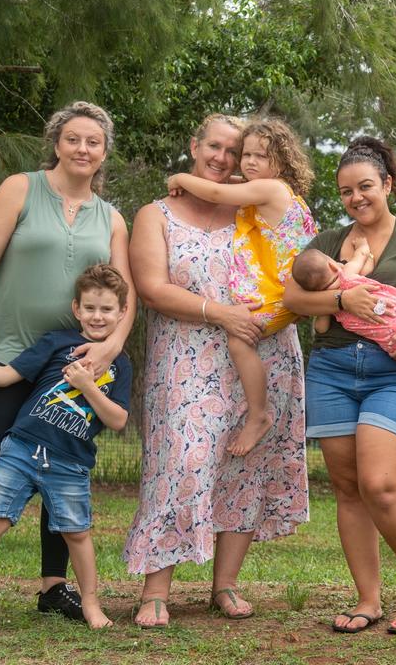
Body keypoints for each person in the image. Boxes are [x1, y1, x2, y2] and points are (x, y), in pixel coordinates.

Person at [0, 101, 133, 627]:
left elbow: (125, 295)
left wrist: (109, 349)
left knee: (61, 463)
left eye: (93, 141)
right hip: (9, 349)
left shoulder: (112, 218)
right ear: (57, 143)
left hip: (75, 363)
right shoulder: (20, 188)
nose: (82, 149)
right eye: (73, 139)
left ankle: (53, 586)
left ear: (104, 150)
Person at [123, 114, 308, 627]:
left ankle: (224, 586)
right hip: (185, 358)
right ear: (194, 145)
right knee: (182, 460)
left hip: (263, 352)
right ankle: (155, 588)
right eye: (216, 148)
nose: (225, 159)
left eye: (236, 150)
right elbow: (153, 288)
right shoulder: (156, 215)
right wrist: (219, 312)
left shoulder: (254, 209)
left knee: (244, 470)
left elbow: (295, 267)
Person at [283, 136, 396, 635]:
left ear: (388, 184)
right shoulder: (326, 245)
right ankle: (367, 599)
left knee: (381, 484)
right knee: (347, 488)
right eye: (345, 191)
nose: (355, 198)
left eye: (365, 186)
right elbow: (293, 297)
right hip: (333, 370)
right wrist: (343, 304)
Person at [0, 265, 134, 640]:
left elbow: (118, 420)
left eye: (106, 310)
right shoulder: (56, 343)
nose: (97, 316)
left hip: (70, 463)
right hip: (21, 449)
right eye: (89, 308)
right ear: (76, 308)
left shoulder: (120, 364)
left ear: (122, 313)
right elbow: (8, 376)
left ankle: (90, 602)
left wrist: (88, 386)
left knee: (77, 533)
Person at [166, 118, 318, 456]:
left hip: (283, 292)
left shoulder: (269, 189)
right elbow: (231, 182)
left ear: (280, 161)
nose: (249, 162)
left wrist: (179, 178)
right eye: (245, 154)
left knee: (239, 339)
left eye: (260, 157)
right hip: (284, 286)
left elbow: (220, 191)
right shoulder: (270, 187)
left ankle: (258, 414)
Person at [290, 244, 396, 396]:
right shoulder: (347, 273)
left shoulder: (329, 305)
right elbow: (364, 259)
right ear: (332, 265)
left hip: (391, 334)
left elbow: (321, 329)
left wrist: (323, 308)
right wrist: (362, 246)